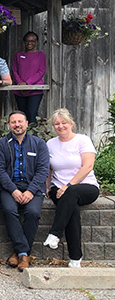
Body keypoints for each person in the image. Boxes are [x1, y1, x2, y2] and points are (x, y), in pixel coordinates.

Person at [42, 108, 100, 268]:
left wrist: (69, 185)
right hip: (58, 188)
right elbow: (49, 169)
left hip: (85, 186)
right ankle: (75, 258)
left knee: (72, 193)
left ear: (71, 123)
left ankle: (55, 233)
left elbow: (88, 166)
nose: (60, 126)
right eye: (57, 124)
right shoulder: (50, 144)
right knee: (71, 208)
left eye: (64, 123)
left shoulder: (82, 140)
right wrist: (47, 186)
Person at [0, 111, 49, 271]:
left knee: (32, 213)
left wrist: (31, 191)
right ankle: (24, 254)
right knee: (10, 210)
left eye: (20, 121)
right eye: (13, 122)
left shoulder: (39, 144)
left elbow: (43, 170)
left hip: (34, 188)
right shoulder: (1, 144)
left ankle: (19, 253)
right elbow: (0, 170)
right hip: (10, 187)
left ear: (26, 123)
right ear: (9, 125)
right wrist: (13, 190)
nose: (17, 124)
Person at [12, 32, 47, 123]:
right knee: (22, 116)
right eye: (27, 40)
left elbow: (41, 71)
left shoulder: (40, 55)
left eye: (32, 41)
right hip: (19, 90)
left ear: (36, 42)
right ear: (24, 41)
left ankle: (32, 135)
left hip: (35, 90)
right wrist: (20, 84)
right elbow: (14, 70)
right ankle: (23, 135)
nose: (29, 43)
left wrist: (27, 83)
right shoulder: (18, 55)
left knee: (32, 114)